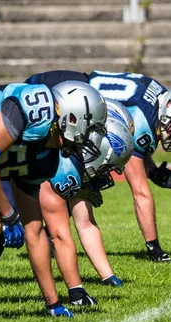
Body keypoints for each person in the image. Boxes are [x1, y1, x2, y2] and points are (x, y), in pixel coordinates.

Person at [0, 81, 108, 317]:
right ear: (72, 118)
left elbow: (34, 231)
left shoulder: (45, 158)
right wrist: (7, 214)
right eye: (90, 129)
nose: (88, 139)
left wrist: (53, 303)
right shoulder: (38, 108)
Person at [25, 71, 171, 262]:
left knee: (79, 177)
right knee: (65, 175)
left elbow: (136, 152)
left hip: (71, 89)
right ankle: (26, 227)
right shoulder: (145, 118)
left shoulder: (158, 100)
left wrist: (153, 172)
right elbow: (140, 192)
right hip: (58, 95)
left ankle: (45, 235)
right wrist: (154, 247)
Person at [40, 100, 134, 307]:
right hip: (2, 196)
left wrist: (108, 276)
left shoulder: (78, 162)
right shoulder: (66, 166)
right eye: (108, 167)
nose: (108, 173)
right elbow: (59, 233)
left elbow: (86, 223)